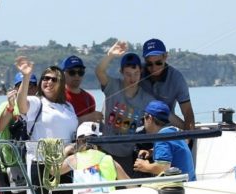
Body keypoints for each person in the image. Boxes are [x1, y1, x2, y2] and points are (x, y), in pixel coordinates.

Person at [15, 56, 78, 194]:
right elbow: (21, 105)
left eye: (53, 79)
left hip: (64, 162)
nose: (48, 82)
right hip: (41, 162)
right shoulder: (37, 102)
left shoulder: (68, 106)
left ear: (61, 83)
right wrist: (26, 77)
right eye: (45, 78)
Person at [95, 40, 156, 176]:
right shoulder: (112, 86)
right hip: (104, 153)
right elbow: (99, 71)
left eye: (136, 74)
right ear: (121, 72)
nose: (132, 78)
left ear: (141, 72)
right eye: (128, 74)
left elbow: (166, 116)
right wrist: (110, 55)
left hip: (126, 156)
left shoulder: (146, 99)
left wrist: (186, 127)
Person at [0, 72, 37, 194]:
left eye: (32, 86)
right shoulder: (6, 106)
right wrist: (11, 107)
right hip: (9, 164)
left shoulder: (38, 106)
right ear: (16, 89)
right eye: (23, 86)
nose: (28, 89)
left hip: (31, 163)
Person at [140, 38, 195, 131]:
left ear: (165, 57)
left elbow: (187, 112)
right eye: (149, 64)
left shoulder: (176, 78)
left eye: (158, 63)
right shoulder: (137, 73)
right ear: (144, 60)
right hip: (140, 128)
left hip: (166, 130)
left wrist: (188, 140)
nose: (154, 68)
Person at [133, 100, 196, 181]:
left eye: (144, 118)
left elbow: (163, 167)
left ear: (150, 118)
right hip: (189, 182)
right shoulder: (173, 131)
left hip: (179, 187)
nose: (143, 122)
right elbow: (175, 148)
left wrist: (145, 166)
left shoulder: (162, 138)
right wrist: (152, 152)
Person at [60, 122, 130, 194]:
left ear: (78, 141)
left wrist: (65, 151)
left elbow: (52, 172)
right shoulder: (110, 160)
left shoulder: (74, 159)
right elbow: (131, 185)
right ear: (98, 141)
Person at [61, 55, 103, 123]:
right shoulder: (57, 97)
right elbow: (59, 124)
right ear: (62, 74)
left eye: (80, 72)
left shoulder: (89, 98)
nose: (77, 75)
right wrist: (87, 118)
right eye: (72, 72)